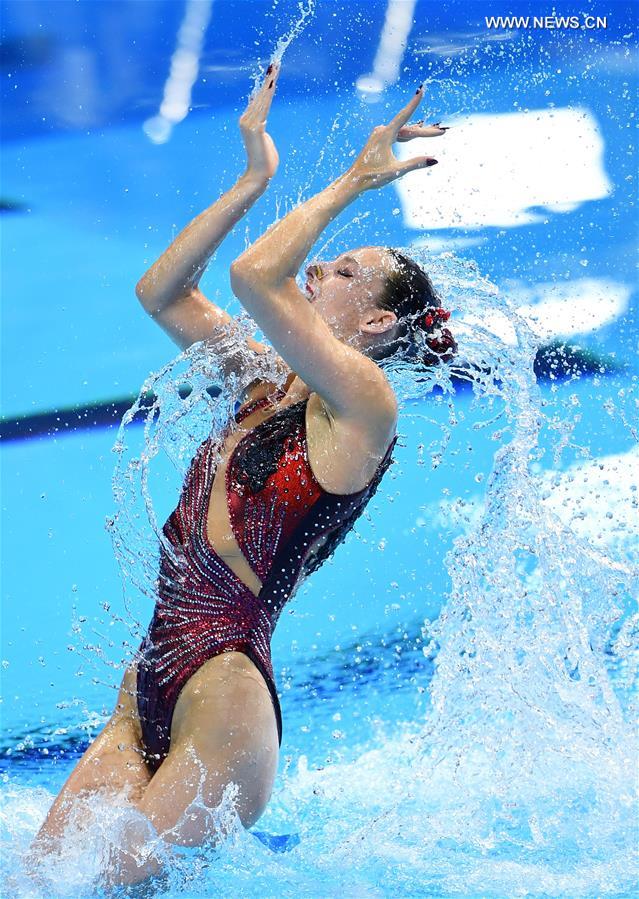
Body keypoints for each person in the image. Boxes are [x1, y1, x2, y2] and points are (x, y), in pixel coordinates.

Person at [28, 61, 455, 887]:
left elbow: (253, 276)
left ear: (374, 322)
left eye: (342, 273)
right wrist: (251, 176)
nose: (317, 271)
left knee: (117, 888)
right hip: (148, 677)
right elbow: (162, 291)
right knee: (46, 880)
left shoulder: (364, 408)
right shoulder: (260, 384)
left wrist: (348, 186)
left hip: (224, 698)